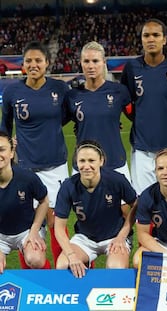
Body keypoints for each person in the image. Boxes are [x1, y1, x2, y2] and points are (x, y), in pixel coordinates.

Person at [0, 41, 70, 267]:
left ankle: (63, 269)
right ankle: (35, 273)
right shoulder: (12, 91)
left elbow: (68, 116)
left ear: (47, 63)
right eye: (28, 60)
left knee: (55, 219)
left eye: (38, 60)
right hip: (26, 168)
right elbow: (6, 125)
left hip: (55, 164)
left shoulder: (60, 89)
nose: (33, 64)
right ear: (23, 64)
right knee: (28, 222)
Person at [120, 18, 167, 196]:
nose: (151, 39)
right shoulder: (132, 68)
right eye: (146, 35)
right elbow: (126, 103)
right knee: (145, 200)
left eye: (156, 35)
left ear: (164, 39)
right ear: (141, 39)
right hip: (142, 147)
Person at [54, 140, 138, 278]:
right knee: (63, 266)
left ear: (101, 161)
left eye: (91, 160)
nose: (86, 166)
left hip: (115, 236)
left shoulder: (116, 180)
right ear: (76, 162)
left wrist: (122, 236)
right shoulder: (68, 186)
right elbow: (59, 228)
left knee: (116, 269)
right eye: (82, 161)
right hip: (85, 238)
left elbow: (136, 204)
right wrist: (71, 255)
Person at [65, 41, 131, 181]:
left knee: (124, 203)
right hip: (84, 164)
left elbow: (135, 116)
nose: (91, 66)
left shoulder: (119, 91)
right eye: (86, 61)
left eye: (95, 61)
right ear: (81, 63)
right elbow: (56, 123)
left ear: (103, 62)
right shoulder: (72, 96)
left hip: (115, 161)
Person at [0, 131, 51, 273]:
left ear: (11, 153)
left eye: (2, 149)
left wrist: (34, 231)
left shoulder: (27, 178)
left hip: (27, 230)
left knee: (35, 259)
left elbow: (44, 201)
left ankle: (50, 282)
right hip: (1, 235)